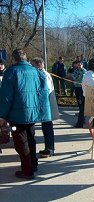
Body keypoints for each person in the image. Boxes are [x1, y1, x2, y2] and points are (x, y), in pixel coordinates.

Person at [0, 49, 51, 179]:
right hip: (32, 113)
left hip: (17, 114)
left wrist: (2, 116)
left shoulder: (11, 72)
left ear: (14, 59)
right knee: (30, 138)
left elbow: (6, 97)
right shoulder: (36, 71)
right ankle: (33, 164)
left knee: (21, 142)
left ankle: (27, 170)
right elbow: (44, 92)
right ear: (25, 58)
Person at [31, 57, 59, 158]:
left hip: (46, 105)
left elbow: (45, 90)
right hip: (45, 105)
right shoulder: (41, 74)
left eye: (32, 65)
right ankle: (48, 148)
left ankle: (50, 149)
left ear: (38, 65)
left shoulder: (44, 75)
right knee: (45, 127)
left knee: (47, 128)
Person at [81, 61, 94, 127]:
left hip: (87, 95)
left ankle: (84, 123)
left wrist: (84, 93)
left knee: (84, 110)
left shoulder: (86, 75)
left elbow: (83, 85)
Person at [73, 61, 87, 128]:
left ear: (82, 65)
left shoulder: (85, 71)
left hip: (82, 88)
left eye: (80, 64)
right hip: (76, 87)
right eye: (78, 65)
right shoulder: (75, 71)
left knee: (82, 101)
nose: (79, 66)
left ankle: (82, 115)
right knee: (78, 100)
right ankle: (80, 110)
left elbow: (85, 79)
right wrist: (78, 76)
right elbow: (74, 77)